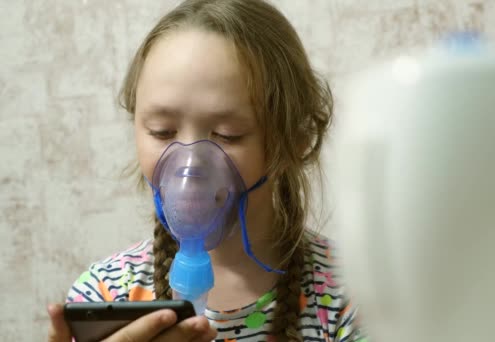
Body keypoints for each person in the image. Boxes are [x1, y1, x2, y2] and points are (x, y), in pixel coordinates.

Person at [47, 0, 363, 341]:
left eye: (227, 135)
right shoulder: (106, 294)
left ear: (295, 140)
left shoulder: (357, 296)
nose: (191, 164)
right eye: (162, 131)